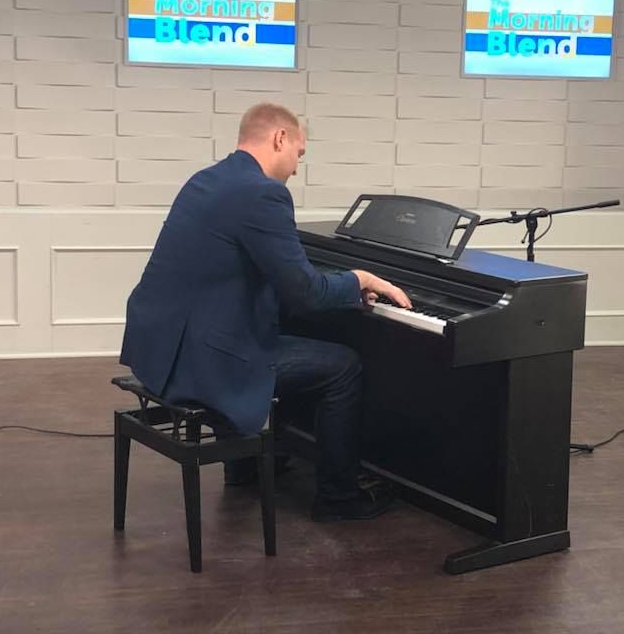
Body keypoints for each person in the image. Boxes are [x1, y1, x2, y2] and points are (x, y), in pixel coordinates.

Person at [120, 103, 411, 521]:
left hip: (160, 347)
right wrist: (359, 279)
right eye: (299, 154)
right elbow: (306, 293)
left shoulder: (207, 179)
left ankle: (245, 467)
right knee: (342, 366)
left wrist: (330, 285)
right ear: (280, 138)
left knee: (273, 337)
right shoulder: (263, 193)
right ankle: (339, 497)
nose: (296, 167)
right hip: (202, 362)